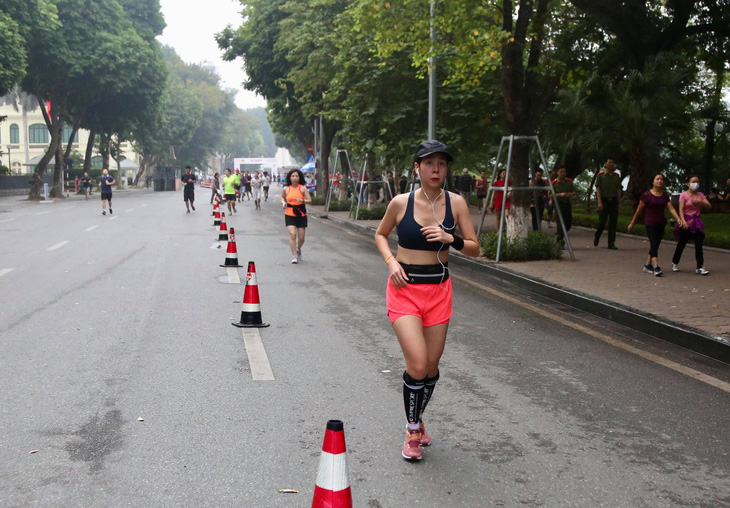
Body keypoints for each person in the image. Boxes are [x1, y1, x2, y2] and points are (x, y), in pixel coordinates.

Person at [374, 140, 479, 462]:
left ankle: (417, 417)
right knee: (417, 364)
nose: (436, 169)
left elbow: (476, 248)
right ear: (417, 167)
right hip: (405, 289)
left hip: (438, 291)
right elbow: (379, 234)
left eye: (442, 164)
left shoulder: (456, 203)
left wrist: (453, 239)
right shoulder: (400, 202)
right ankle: (412, 430)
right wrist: (392, 261)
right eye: (429, 163)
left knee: (431, 368)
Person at [627, 174, 683, 277]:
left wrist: (678, 218)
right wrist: (632, 222)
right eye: (657, 179)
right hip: (650, 223)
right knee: (653, 243)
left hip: (661, 223)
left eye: (661, 179)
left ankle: (647, 265)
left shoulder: (665, 195)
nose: (659, 181)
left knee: (655, 245)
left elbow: (670, 208)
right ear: (652, 181)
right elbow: (639, 209)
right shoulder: (646, 195)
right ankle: (656, 267)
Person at [671, 175, 711, 275]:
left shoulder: (700, 195)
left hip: (697, 222)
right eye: (693, 181)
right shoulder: (684, 195)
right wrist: (683, 221)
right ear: (688, 184)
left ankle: (700, 266)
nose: (695, 183)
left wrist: (700, 201)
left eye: (697, 182)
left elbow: (709, 206)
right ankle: (675, 262)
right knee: (682, 243)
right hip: (687, 221)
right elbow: (681, 209)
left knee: (698, 244)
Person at [281, 169, 312, 264]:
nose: (294, 178)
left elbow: (310, 200)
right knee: (292, 235)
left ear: (299, 178)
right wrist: (283, 202)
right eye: (293, 176)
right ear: (289, 177)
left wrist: (302, 200)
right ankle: (294, 255)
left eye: (296, 176)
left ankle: (298, 249)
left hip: (301, 213)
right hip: (289, 213)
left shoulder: (302, 188)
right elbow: (282, 197)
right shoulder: (286, 189)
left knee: (301, 238)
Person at [594, 157, 622, 249]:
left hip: (613, 201)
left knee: (613, 223)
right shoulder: (601, 175)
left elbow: (618, 189)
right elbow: (598, 189)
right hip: (604, 201)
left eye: (613, 162)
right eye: (609, 162)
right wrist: (599, 202)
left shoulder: (616, 176)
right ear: (605, 164)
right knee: (602, 222)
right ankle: (597, 235)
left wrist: (619, 203)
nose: (611, 164)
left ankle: (611, 243)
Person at [552, 167, 576, 244]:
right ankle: (560, 241)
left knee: (568, 222)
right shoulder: (554, 183)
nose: (563, 173)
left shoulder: (569, 182)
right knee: (560, 222)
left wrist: (570, 194)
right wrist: (560, 194)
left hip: (567, 203)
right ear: (557, 172)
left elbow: (574, 191)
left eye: (564, 172)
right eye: (561, 172)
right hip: (559, 203)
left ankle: (559, 235)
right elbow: (550, 195)